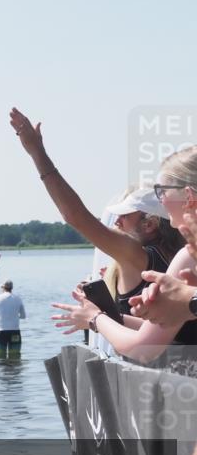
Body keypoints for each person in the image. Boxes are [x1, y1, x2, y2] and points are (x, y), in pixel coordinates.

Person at [11, 108, 183, 315]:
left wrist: (37, 152)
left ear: (149, 224)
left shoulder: (138, 255)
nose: (117, 221)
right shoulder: (182, 255)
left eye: (125, 215)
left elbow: (76, 216)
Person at [53, 147, 197, 365]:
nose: (162, 200)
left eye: (163, 191)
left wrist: (95, 319)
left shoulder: (186, 257)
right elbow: (174, 335)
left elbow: (144, 348)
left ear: (187, 196)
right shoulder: (181, 255)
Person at [0, 280, 26, 358]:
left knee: (0, 357)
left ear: (3, 287)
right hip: (15, 332)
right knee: (15, 357)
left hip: (1, 332)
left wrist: (1, 316)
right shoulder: (18, 298)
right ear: (12, 288)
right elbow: (23, 316)